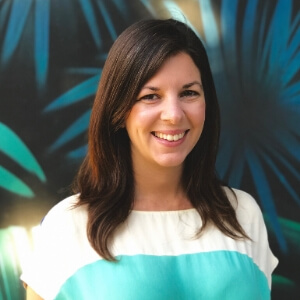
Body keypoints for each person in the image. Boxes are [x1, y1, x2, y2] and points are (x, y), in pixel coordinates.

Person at [21, 18, 278, 299]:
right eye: (151, 96)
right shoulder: (69, 226)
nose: (174, 114)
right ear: (119, 108)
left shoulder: (242, 215)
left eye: (189, 93)